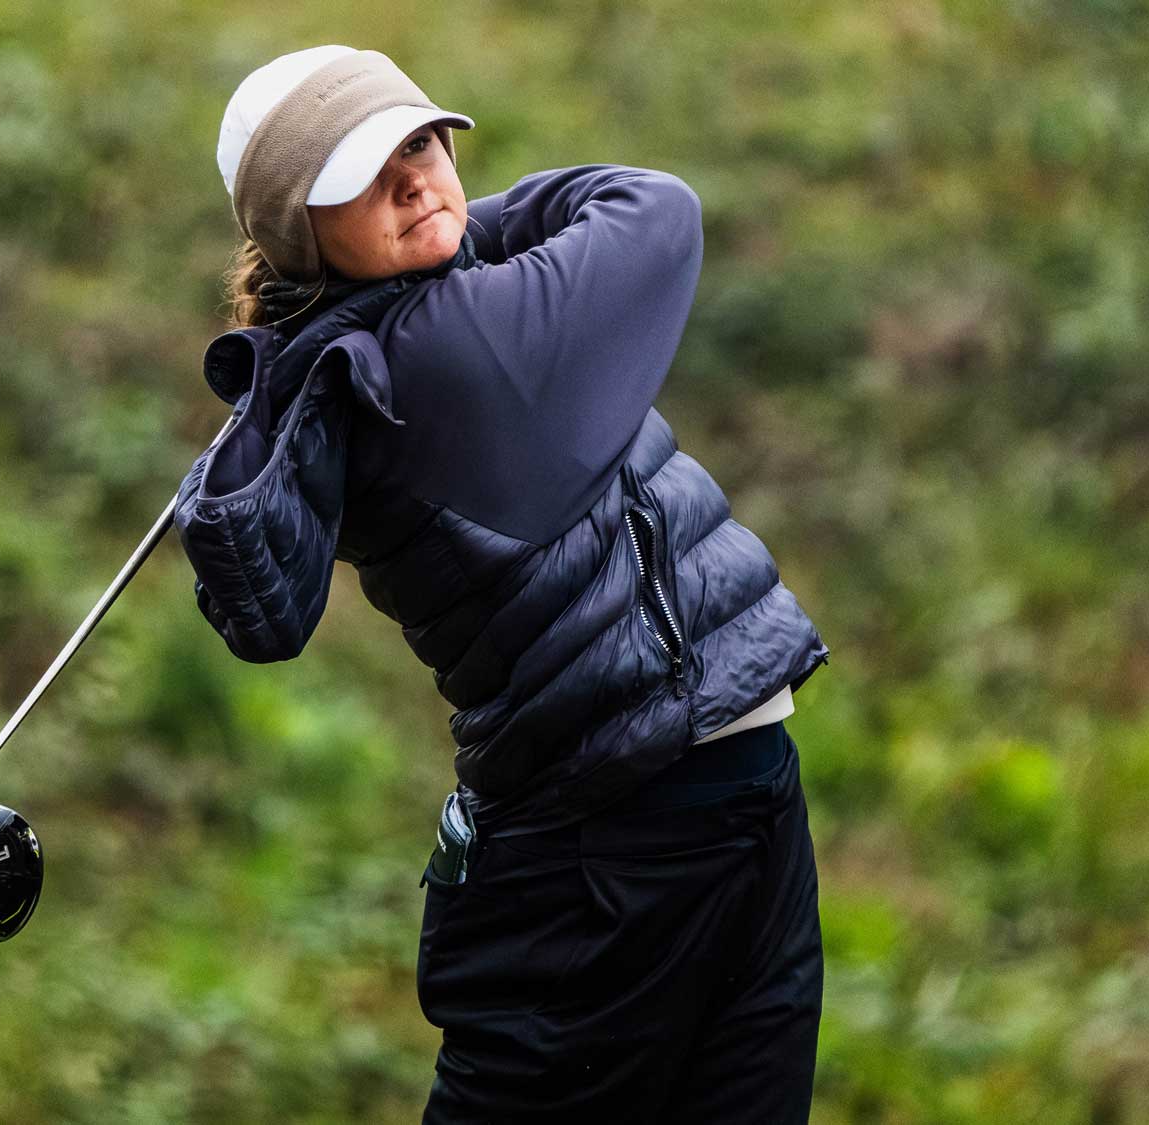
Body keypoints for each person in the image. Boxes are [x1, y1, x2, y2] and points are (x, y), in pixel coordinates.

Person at [182, 43, 832, 1123]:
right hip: (614, 847)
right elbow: (650, 209)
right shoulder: (443, 347)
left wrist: (427, 235)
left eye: (422, 142)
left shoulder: (375, 337)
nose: (415, 176)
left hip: (718, 801)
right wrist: (461, 225)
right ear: (298, 231)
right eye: (364, 172)